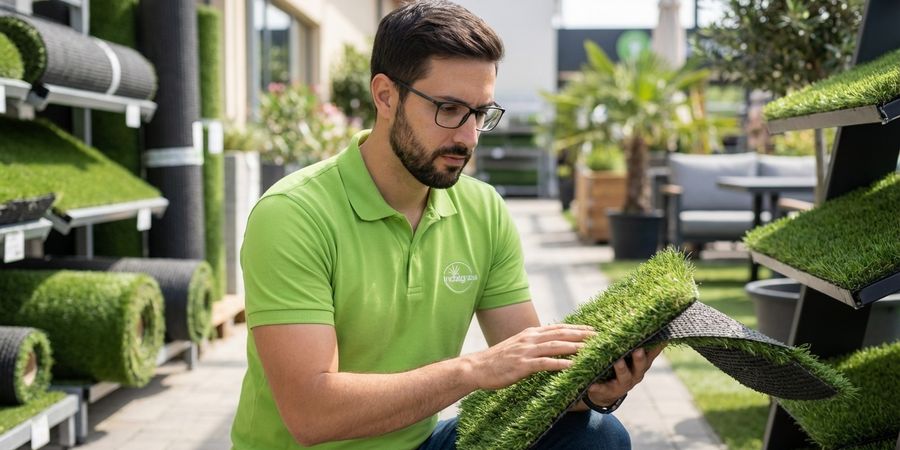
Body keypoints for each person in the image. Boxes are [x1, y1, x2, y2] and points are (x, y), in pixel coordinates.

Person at [231, 1, 663, 448]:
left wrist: (595, 391)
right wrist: (474, 370)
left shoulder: (482, 209)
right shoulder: (293, 214)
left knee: (595, 435)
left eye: (480, 113)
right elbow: (311, 414)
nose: (467, 136)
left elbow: (529, 376)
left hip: (418, 444)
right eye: (449, 108)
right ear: (385, 96)